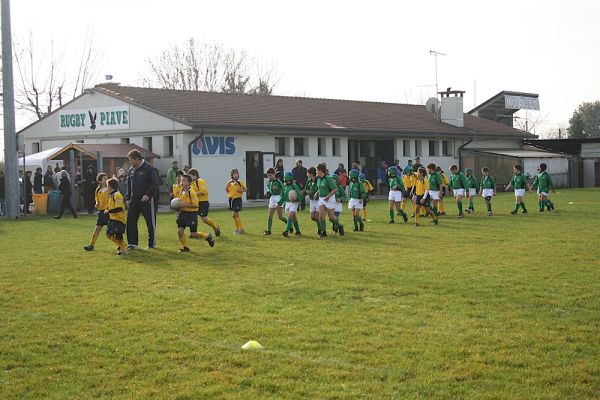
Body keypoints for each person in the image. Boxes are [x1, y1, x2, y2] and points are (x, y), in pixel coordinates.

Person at [125, 149, 159, 250]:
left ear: (137, 159)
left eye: (130, 160)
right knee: (130, 221)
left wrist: (148, 195)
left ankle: (151, 244)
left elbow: (154, 185)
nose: (129, 162)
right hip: (134, 200)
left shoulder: (149, 169)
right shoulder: (131, 170)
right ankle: (132, 243)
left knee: (150, 222)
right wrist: (128, 197)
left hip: (147, 200)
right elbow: (129, 186)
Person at [175, 174, 215, 252]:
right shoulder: (181, 192)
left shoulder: (191, 192)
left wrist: (183, 204)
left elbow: (196, 206)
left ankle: (207, 236)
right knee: (180, 232)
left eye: (184, 181)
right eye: (181, 180)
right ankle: (185, 247)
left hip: (191, 214)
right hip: (183, 213)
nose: (181, 182)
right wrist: (176, 206)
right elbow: (180, 203)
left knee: (193, 234)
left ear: (189, 182)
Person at [188, 168, 221, 237]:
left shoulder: (200, 181)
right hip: (195, 203)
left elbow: (204, 191)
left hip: (203, 202)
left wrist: (193, 194)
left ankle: (216, 227)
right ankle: (193, 233)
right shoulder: (192, 183)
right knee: (192, 217)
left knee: (204, 219)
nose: (189, 178)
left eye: (190, 176)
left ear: (194, 175)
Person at [315, 163, 344, 238]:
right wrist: (316, 193)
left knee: (331, 218)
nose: (316, 172)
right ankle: (323, 232)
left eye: (317, 170)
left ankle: (339, 225)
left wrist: (328, 197)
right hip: (321, 199)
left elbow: (335, 189)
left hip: (329, 198)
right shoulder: (318, 179)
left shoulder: (328, 178)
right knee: (321, 216)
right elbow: (320, 188)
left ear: (321, 171)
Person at [84, 173, 110, 251]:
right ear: (100, 181)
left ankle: (121, 246)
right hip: (102, 212)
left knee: (111, 233)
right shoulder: (98, 190)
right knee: (97, 229)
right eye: (104, 179)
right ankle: (92, 245)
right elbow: (96, 198)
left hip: (110, 212)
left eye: (107, 178)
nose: (106, 180)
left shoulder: (110, 189)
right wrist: (97, 203)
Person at [105, 178, 127, 256]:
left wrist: (109, 211)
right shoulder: (111, 195)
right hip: (112, 218)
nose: (107, 187)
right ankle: (123, 245)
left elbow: (120, 208)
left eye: (107, 185)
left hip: (119, 219)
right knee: (108, 234)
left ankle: (123, 251)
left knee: (118, 235)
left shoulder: (117, 195)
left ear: (110, 186)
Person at [263, 167, 287, 235]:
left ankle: (289, 225)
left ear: (274, 174)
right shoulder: (268, 183)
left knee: (280, 217)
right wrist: (268, 193)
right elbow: (270, 191)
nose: (269, 177)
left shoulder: (278, 182)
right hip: (272, 198)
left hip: (278, 197)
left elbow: (283, 190)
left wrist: (278, 191)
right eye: (268, 175)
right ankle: (269, 231)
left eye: (270, 175)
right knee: (270, 215)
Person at [278, 172, 302, 237]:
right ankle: (298, 231)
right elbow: (283, 196)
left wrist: (296, 199)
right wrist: (279, 203)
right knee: (294, 218)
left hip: (294, 203)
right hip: (287, 203)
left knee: (290, 215)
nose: (284, 178)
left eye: (284, 177)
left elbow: (300, 195)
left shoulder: (294, 186)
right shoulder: (284, 187)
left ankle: (286, 231)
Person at [225, 168, 247, 234]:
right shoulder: (230, 182)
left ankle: (240, 229)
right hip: (231, 200)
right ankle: (239, 229)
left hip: (238, 199)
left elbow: (245, 189)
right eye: (234, 174)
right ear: (232, 175)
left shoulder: (240, 182)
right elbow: (226, 188)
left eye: (237, 174)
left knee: (234, 214)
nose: (236, 175)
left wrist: (241, 190)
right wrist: (229, 193)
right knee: (235, 215)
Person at [304, 167, 320, 234]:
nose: (307, 174)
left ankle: (320, 229)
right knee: (312, 217)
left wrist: (314, 192)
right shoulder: (308, 181)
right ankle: (321, 223)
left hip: (318, 200)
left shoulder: (318, 180)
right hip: (312, 200)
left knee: (316, 216)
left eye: (308, 173)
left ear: (312, 174)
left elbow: (321, 189)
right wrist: (305, 192)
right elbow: (306, 190)